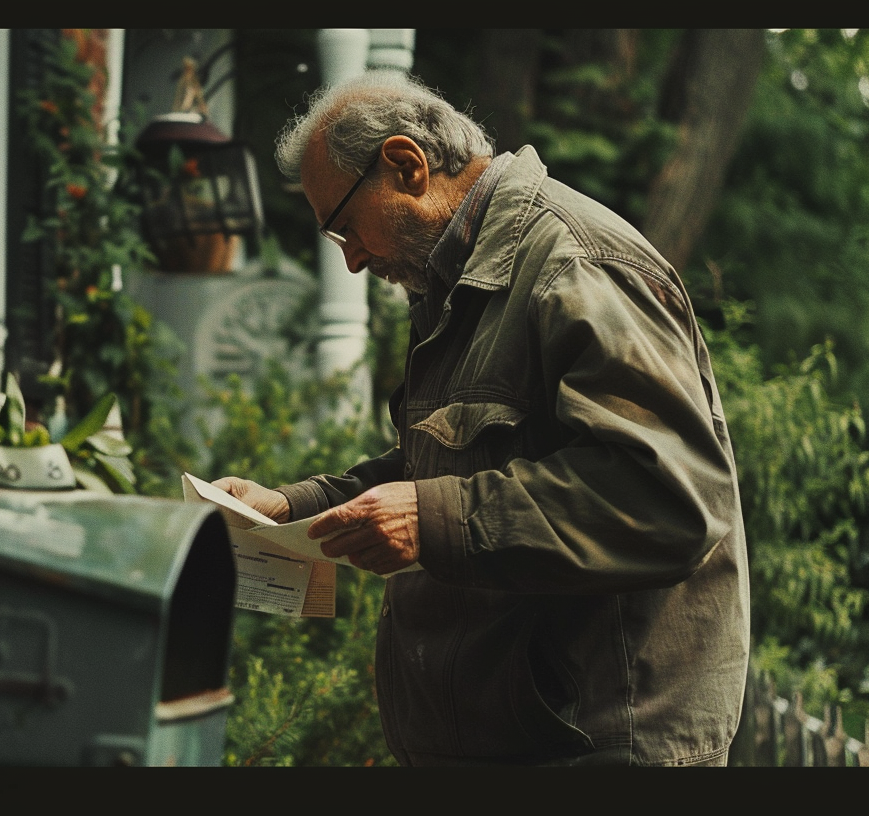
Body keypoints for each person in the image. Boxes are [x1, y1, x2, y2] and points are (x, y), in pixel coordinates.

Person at [214, 71, 749, 766]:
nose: (350, 260)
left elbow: (667, 499)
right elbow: (435, 470)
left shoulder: (573, 263)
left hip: (592, 745)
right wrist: (290, 508)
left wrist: (430, 521)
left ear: (407, 166)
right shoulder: (460, 280)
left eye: (345, 227)